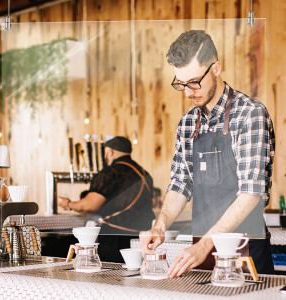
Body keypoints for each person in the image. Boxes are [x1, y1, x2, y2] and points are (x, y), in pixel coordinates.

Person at [140, 30, 275, 277]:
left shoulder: (250, 115)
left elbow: (250, 194)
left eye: (194, 82)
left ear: (216, 68)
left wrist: (204, 244)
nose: (188, 92)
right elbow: (181, 183)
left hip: (245, 253)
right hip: (202, 253)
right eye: (181, 84)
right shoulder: (188, 123)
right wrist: (159, 226)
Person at [59, 136, 155, 263]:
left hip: (115, 238)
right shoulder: (144, 174)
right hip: (141, 238)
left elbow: (88, 205)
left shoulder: (112, 172)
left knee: (112, 276)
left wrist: (68, 203)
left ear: (110, 152)